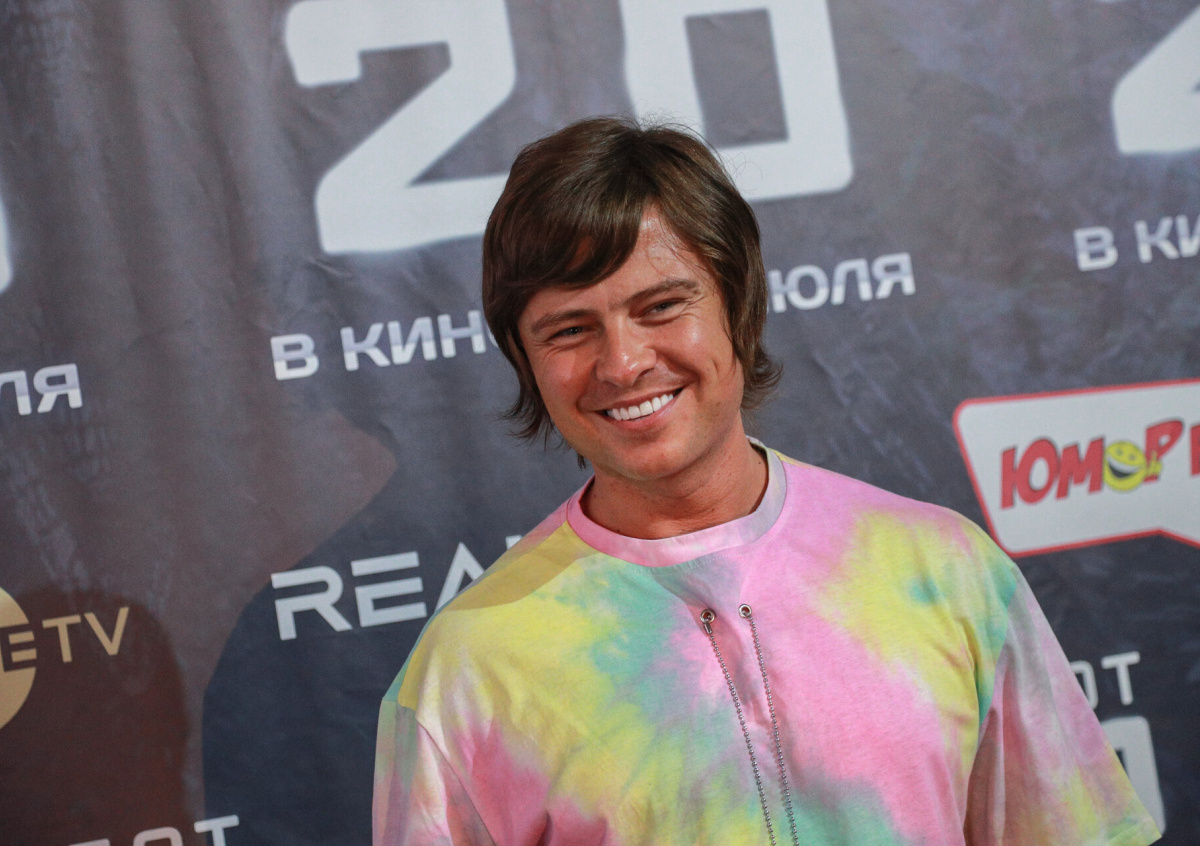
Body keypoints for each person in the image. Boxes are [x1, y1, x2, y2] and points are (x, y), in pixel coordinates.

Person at [372, 117, 1159, 846]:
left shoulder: (944, 568)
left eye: (661, 306)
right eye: (570, 330)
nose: (623, 363)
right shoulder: (466, 672)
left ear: (738, 302)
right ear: (525, 361)